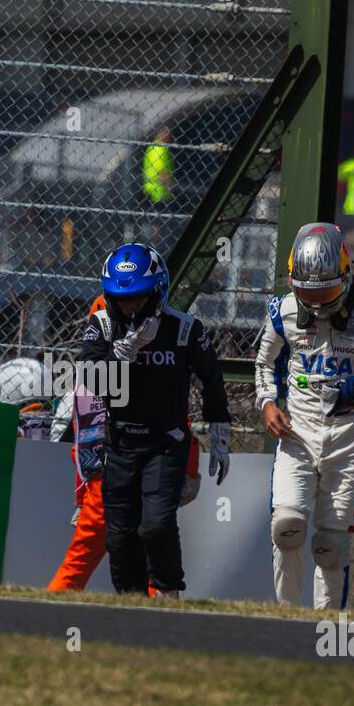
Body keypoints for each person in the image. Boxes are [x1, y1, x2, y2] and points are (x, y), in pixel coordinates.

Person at [254, 223, 354, 609]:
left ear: (345, 275)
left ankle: (327, 629)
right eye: (309, 293)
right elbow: (264, 364)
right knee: (286, 530)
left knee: (331, 545)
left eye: (325, 293)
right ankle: (285, 619)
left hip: (349, 441)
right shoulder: (282, 311)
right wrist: (268, 403)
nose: (318, 304)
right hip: (297, 437)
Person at [78, 243, 230, 597]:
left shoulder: (185, 329)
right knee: (118, 534)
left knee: (156, 526)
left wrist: (221, 438)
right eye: (121, 298)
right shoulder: (100, 325)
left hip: (165, 444)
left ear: (158, 291)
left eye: (138, 298)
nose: (129, 305)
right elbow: (91, 381)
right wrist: (124, 355)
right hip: (119, 446)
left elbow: (212, 379)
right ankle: (130, 604)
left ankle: (167, 591)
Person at [48, 297, 201, 594]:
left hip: (101, 490)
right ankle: (159, 620)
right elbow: (179, 427)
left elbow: (82, 443)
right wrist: (190, 473)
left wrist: (81, 498)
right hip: (136, 480)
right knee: (150, 557)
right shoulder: (152, 365)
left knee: (78, 564)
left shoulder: (88, 378)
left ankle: (46, 619)